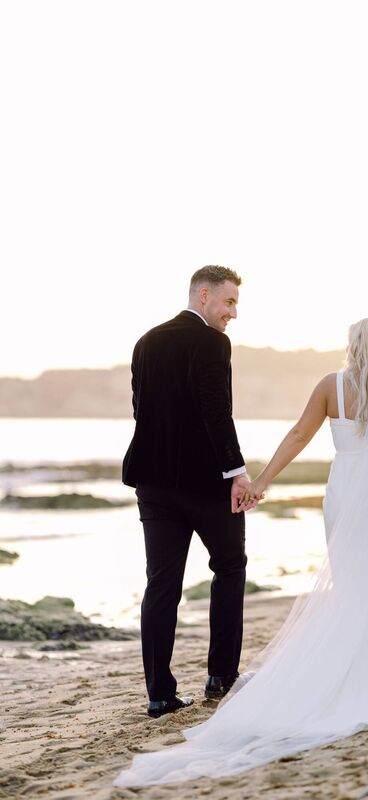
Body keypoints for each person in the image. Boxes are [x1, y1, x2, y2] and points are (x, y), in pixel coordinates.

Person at [114, 318, 368, 786]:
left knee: (350, 582)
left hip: (345, 493)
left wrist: (262, 482)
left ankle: (351, 669)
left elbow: (299, 436)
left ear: (355, 345)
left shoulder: (333, 385)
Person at [121, 265, 258, 719]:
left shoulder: (146, 341)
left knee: (161, 584)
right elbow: (217, 411)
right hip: (205, 484)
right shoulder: (213, 342)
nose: (233, 313)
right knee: (230, 567)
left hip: (152, 482)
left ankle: (159, 694)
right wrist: (237, 472)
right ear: (203, 296)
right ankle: (221, 677)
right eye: (229, 302)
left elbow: (141, 409)